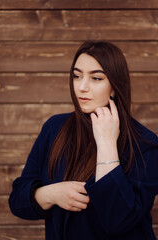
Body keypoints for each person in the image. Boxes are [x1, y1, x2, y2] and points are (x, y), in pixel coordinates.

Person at [9, 40, 158, 240]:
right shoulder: (54, 128)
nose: (82, 87)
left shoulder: (145, 144)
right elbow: (18, 201)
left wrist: (106, 144)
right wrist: (52, 194)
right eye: (77, 76)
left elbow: (118, 220)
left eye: (96, 78)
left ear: (115, 86)